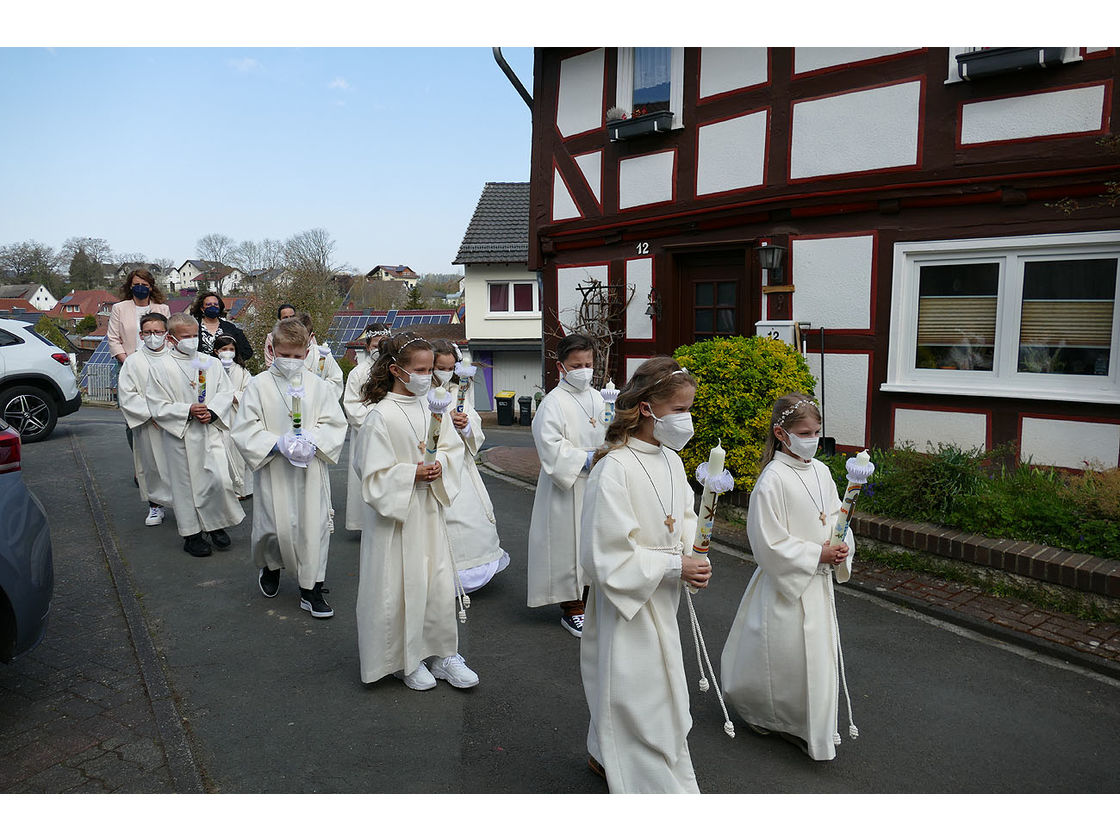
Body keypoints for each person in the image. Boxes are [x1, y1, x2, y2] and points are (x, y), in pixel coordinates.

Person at [579, 356, 710, 793]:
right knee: (634, 690)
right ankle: (639, 772)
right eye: (679, 409)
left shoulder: (672, 461)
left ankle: (604, 751)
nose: (686, 419)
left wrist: (696, 551)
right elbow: (606, 554)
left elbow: (684, 516)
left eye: (690, 408)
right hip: (627, 603)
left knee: (657, 684)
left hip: (662, 593)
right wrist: (674, 564)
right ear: (648, 408)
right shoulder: (613, 467)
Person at [720, 393, 858, 762]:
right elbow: (768, 541)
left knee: (817, 659)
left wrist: (842, 546)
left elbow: (837, 517)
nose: (811, 438)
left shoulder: (822, 472)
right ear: (781, 433)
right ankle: (774, 717)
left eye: (816, 432)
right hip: (786, 587)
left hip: (818, 584)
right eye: (804, 432)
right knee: (784, 659)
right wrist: (816, 554)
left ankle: (810, 725)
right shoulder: (773, 479)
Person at [352, 332, 478, 691]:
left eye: (430, 370)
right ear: (396, 370)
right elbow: (371, 474)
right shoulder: (380, 416)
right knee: (399, 586)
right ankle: (404, 659)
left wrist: (441, 468)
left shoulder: (432, 405)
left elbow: (453, 450)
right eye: (421, 370)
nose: (429, 377)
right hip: (397, 520)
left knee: (437, 583)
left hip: (428, 510)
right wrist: (411, 473)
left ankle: (442, 653)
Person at [231, 318, 348, 619]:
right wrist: (277, 443)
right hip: (274, 469)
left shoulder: (318, 386)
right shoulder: (258, 385)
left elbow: (333, 422)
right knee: (273, 527)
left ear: (308, 350)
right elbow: (245, 427)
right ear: (273, 348)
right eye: (285, 355)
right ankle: (271, 566)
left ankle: (311, 590)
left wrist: (312, 439)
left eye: (298, 356)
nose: (292, 362)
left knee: (314, 528)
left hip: (310, 471)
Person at [145, 313, 245, 557]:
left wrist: (212, 411)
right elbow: (156, 404)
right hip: (181, 435)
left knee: (219, 480)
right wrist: (186, 410)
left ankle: (216, 525)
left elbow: (225, 391)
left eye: (194, 336)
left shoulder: (209, 362)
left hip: (209, 431)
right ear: (171, 338)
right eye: (185, 336)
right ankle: (191, 534)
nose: (191, 340)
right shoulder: (161, 367)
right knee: (185, 486)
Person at [527, 333, 606, 637]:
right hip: (567, 486)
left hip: (597, 483)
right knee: (567, 545)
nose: (584, 370)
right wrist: (586, 459)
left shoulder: (599, 398)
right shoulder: (552, 403)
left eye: (588, 363)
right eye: (577, 365)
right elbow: (550, 447)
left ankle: (592, 600)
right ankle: (572, 608)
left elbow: (611, 429)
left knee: (594, 541)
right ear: (561, 367)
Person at [431, 339, 509, 593]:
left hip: (461, 467)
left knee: (468, 516)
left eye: (451, 367)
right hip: (437, 464)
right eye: (440, 367)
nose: (446, 372)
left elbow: (475, 427)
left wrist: (465, 425)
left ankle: (474, 567)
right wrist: (444, 421)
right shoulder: (421, 394)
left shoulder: (458, 392)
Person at [116, 312, 174, 527]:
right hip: (149, 424)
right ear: (141, 334)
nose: (153, 336)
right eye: (148, 332)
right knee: (152, 465)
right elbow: (127, 395)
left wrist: (172, 414)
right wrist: (152, 415)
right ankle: (155, 506)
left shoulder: (176, 357)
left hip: (175, 422)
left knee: (179, 466)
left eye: (158, 332)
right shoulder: (133, 362)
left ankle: (186, 505)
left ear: (166, 334)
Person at [341, 323, 390, 532]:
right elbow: (351, 404)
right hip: (365, 432)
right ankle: (362, 522)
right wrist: (374, 420)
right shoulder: (358, 373)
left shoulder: (393, 369)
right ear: (368, 346)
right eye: (376, 344)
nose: (379, 348)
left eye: (383, 344)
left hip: (391, 431)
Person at [213, 335, 253, 499]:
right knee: (223, 450)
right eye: (224, 349)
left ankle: (243, 488)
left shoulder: (242, 371)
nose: (227, 352)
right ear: (216, 351)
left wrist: (234, 397)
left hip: (237, 415)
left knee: (239, 451)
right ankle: (227, 487)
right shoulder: (211, 369)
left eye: (231, 349)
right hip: (219, 416)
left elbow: (249, 392)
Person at [107, 268, 172, 364]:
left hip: (158, 362)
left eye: (145, 285)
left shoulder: (163, 309)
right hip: (128, 362)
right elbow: (113, 339)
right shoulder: (119, 308)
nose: (140, 287)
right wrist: (127, 362)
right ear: (130, 286)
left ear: (150, 287)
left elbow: (168, 337)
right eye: (136, 285)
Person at [189, 291, 253, 361]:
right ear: (202, 308)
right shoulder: (193, 327)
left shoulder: (230, 327)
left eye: (215, 304)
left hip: (226, 369)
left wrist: (232, 361)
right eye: (208, 304)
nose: (212, 306)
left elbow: (247, 351)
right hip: (201, 369)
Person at [297, 312, 343, 399]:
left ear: (311, 336)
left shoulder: (323, 355)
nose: (299, 341)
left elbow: (336, 381)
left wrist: (319, 387)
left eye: (302, 337)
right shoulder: (286, 354)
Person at [263, 303, 297, 368]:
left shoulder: (306, 334)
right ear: (280, 320)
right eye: (285, 318)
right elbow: (269, 363)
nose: (289, 320)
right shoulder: (271, 337)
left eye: (292, 317)